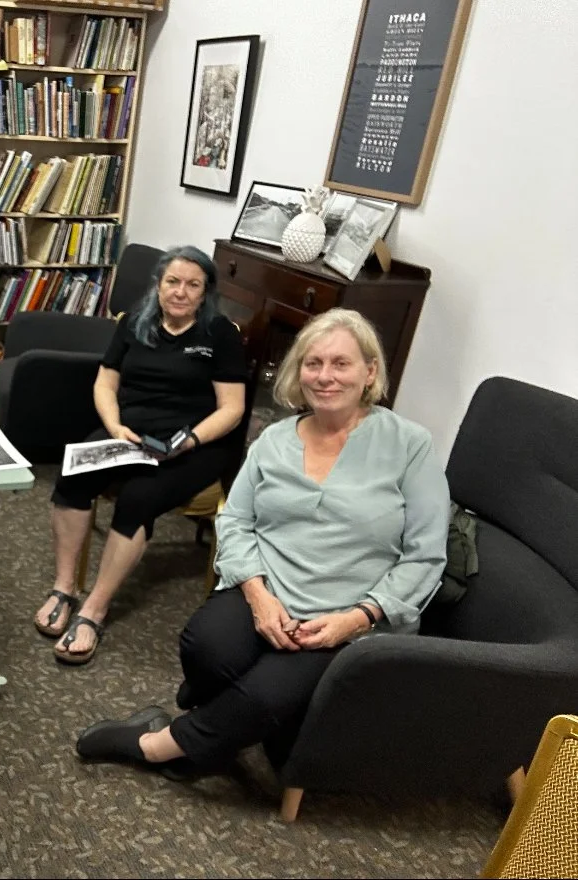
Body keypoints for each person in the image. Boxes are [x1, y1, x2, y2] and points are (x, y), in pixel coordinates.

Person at [75, 308, 450, 777]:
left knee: (268, 694)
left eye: (341, 363)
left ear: (369, 371)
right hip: (270, 587)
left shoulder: (409, 445)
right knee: (204, 645)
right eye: (313, 364)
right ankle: (223, 730)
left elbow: (426, 555)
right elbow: (234, 520)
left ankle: (155, 744)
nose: (325, 376)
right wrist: (257, 595)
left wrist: (356, 618)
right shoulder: (274, 440)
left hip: (350, 610)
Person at [34, 245, 247, 664]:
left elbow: (232, 409)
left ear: (205, 293)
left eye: (193, 285)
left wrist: (188, 440)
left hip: (193, 443)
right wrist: (114, 428)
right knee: (71, 475)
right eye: (173, 282)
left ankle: (95, 608)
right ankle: (64, 587)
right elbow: (104, 385)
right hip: (129, 431)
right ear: (158, 285)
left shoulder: (219, 334)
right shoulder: (134, 323)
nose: (181, 292)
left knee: (138, 499)